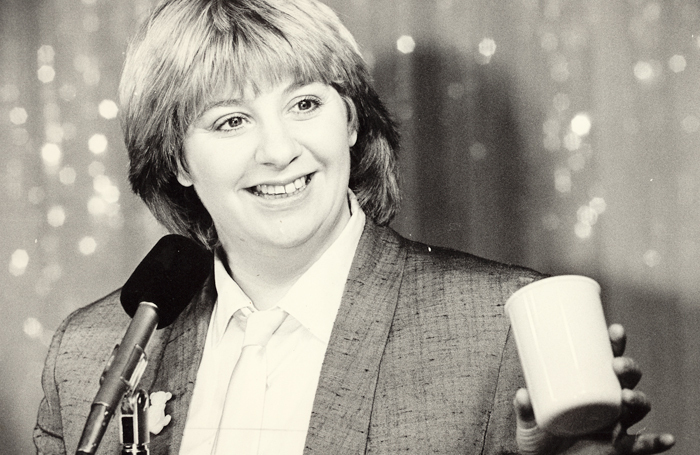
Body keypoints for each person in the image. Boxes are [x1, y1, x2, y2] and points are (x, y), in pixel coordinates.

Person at [34, 0, 675, 454]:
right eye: (230, 120)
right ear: (176, 159)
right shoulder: (89, 350)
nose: (278, 150)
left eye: (304, 103)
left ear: (350, 123)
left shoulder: (504, 328)